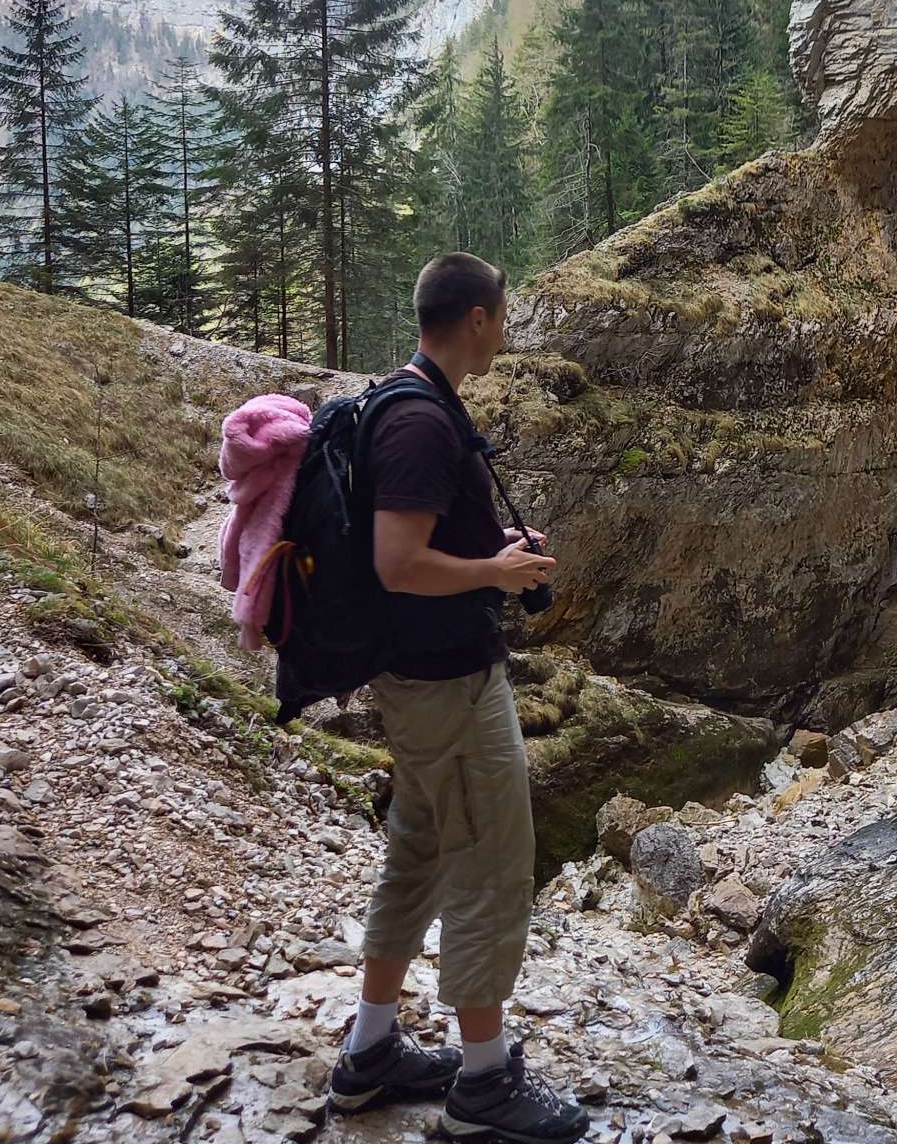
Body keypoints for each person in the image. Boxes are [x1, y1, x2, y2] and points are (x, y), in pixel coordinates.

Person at [326, 252, 588, 1144]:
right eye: (501, 316)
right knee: (490, 862)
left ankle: (370, 1052)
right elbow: (398, 564)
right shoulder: (419, 422)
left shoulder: (413, 400)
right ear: (477, 317)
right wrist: (495, 574)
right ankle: (484, 1084)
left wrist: (493, 545)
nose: (505, 331)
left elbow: (419, 537)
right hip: (446, 683)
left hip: (422, 678)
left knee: (422, 848)